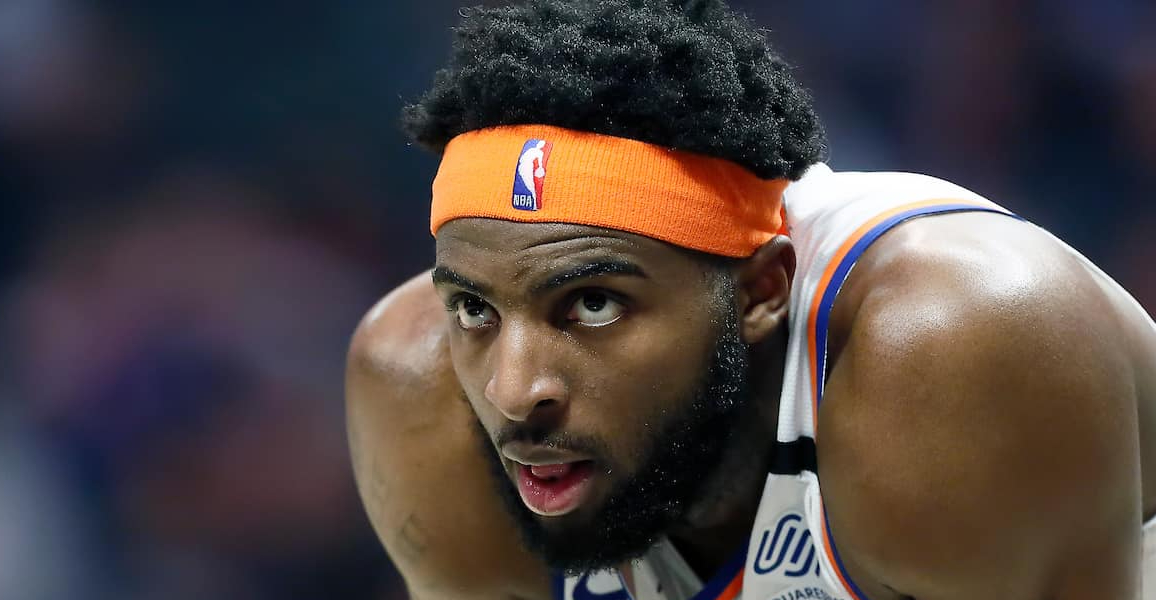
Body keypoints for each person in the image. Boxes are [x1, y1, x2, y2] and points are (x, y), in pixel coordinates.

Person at [345, 1, 1156, 599]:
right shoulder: (418, 389)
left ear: (762, 290)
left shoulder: (956, 349)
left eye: (593, 305)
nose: (514, 391)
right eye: (475, 310)